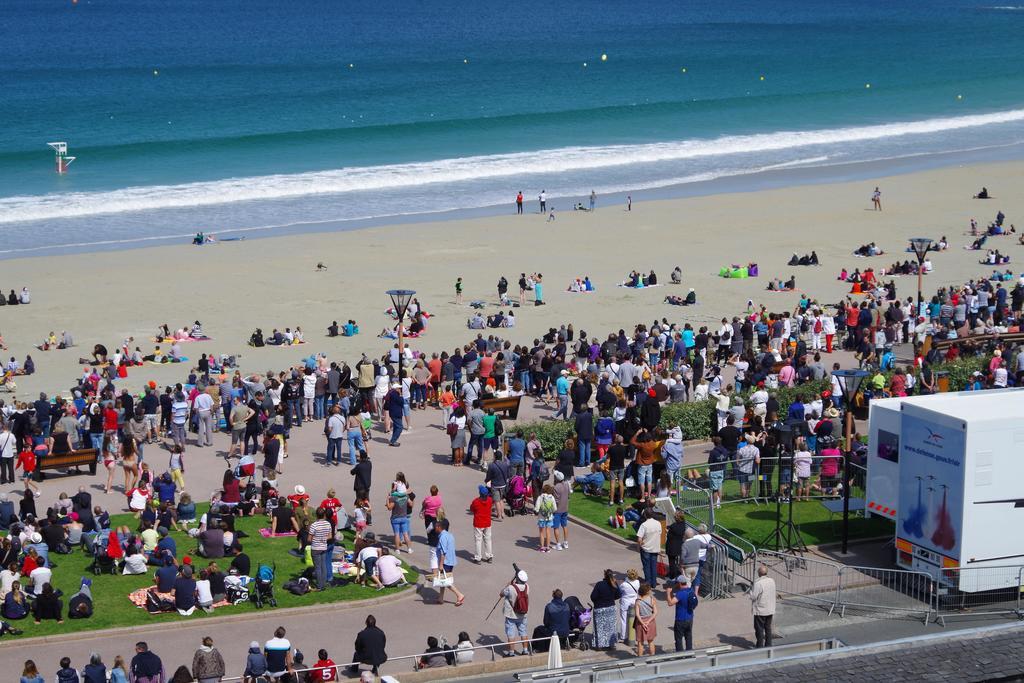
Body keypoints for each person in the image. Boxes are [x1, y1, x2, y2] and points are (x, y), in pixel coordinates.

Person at [432, 518, 465, 606]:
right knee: (443, 579)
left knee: (445, 581)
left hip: (445, 562)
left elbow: (443, 552)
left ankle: (459, 595)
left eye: (436, 526)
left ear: (439, 527)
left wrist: (441, 565)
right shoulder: (449, 535)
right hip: (451, 561)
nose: (435, 528)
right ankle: (441, 598)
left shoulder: (442, 537)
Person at [500, 569, 530, 657]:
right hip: (523, 614)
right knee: (523, 632)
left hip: (511, 615)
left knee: (511, 634)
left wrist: (508, 584)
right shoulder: (527, 587)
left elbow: (501, 594)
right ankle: (525, 650)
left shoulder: (511, 588)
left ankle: (511, 652)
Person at [666, 574, 698, 651]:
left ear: (679, 583)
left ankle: (680, 655)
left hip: (680, 620)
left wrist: (668, 593)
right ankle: (689, 652)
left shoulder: (680, 594)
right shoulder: (691, 590)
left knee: (678, 639)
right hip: (690, 618)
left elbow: (670, 603)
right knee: (688, 636)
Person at [590, 569, 619, 649]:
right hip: (611, 608)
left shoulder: (599, 584)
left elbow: (593, 597)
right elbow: (619, 594)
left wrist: (598, 602)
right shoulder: (614, 583)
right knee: (610, 627)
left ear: (604, 575)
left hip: (600, 608)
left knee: (600, 628)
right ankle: (611, 644)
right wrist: (611, 599)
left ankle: (599, 645)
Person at [750, 564, 777, 648]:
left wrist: (750, 592)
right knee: (768, 628)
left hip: (761, 610)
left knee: (759, 628)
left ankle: (759, 646)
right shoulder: (772, 580)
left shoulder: (758, 583)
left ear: (759, 573)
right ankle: (768, 645)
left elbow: (753, 596)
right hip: (770, 609)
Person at [636, 510, 662, 589]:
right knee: (653, 566)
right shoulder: (658, 523)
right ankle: (653, 583)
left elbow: (639, 539)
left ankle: (648, 584)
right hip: (655, 548)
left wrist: (639, 546)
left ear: (645, 515)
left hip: (646, 549)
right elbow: (659, 534)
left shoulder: (644, 525)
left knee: (646, 567)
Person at [470, 484, 493, 564]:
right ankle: (489, 556)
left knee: (478, 541)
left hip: (478, 523)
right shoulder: (490, 500)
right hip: (487, 522)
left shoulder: (476, 501)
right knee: (488, 540)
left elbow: (472, 509)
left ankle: (478, 558)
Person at [633, 583, 658, 656]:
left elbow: (637, 614)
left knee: (640, 642)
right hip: (650, 622)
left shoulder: (638, 601)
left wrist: (643, 623)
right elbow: (655, 612)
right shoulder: (651, 599)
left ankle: (640, 659)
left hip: (640, 622)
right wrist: (648, 621)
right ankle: (652, 657)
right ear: (647, 591)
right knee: (651, 641)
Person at [617, 568, 640, 646]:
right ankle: (634, 635)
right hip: (634, 601)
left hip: (625, 602)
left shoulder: (624, 584)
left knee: (624, 620)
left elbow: (620, 591)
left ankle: (623, 636)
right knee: (635, 620)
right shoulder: (637, 582)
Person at [552, 471, 571, 551]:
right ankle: (566, 543)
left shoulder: (556, 487)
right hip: (565, 509)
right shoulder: (567, 484)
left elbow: (555, 500)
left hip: (557, 511)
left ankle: (558, 544)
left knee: (556, 527)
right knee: (564, 525)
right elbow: (568, 495)